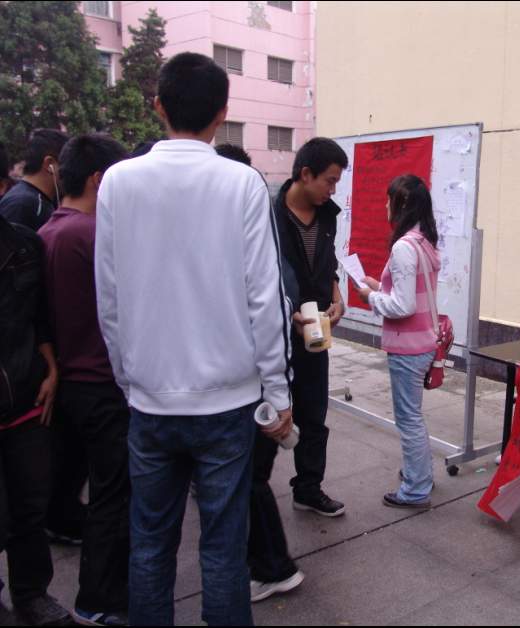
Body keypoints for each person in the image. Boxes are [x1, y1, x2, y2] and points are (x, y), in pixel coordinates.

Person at [95, 52, 294, 626]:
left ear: (158, 105)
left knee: (150, 542)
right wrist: (278, 393)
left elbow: (108, 297)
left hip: (150, 399)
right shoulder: (242, 183)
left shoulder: (118, 182)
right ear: (223, 113)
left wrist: (128, 378)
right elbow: (265, 296)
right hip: (228, 403)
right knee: (223, 546)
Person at [38, 134, 131, 626]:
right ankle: (100, 600)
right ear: (99, 180)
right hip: (101, 384)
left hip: (67, 384)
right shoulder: (94, 236)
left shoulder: (49, 231)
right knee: (113, 497)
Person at [214, 142, 305, 603]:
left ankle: (273, 567)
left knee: (250, 479)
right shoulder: (239, 237)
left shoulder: (255, 242)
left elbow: (275, 314)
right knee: (248, 480)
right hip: (254, 386)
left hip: (254, 390)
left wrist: (278, 397)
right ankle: (270, 565)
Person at [0, 213, 70, 625]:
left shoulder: (25, 244)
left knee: (30, 505)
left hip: (26, 396)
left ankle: (32, 594)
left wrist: (50, 364)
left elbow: (41, 315)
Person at [273, 137, 349, 517]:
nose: (332, 190)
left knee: (314, 414)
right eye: (329, 181)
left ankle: (308, 488)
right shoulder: (267, 215)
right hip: (274, 333)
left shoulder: (327, 215)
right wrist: (285, 314)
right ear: (305, 174)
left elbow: (329, 262)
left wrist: (337, 295)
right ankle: (252, 488)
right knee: (270, 414)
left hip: (316, 329)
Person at [357, 174, 440, 508]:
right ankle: (420, 475)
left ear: (401, 204)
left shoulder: (404, 247)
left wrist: (370, 297)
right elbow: (410, 293)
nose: (385, 205)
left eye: (388, 199)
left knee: (408, 419)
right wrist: (379, 286)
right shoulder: (423, 241)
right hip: (423, 342)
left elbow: (402, 306)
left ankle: (416, 488)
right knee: (413, 417)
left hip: (408, 346)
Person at [0, 129, 68, 230]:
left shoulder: (40, 200)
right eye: (67, 164)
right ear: (49, 164)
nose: (71, 171)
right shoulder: (21, 204)